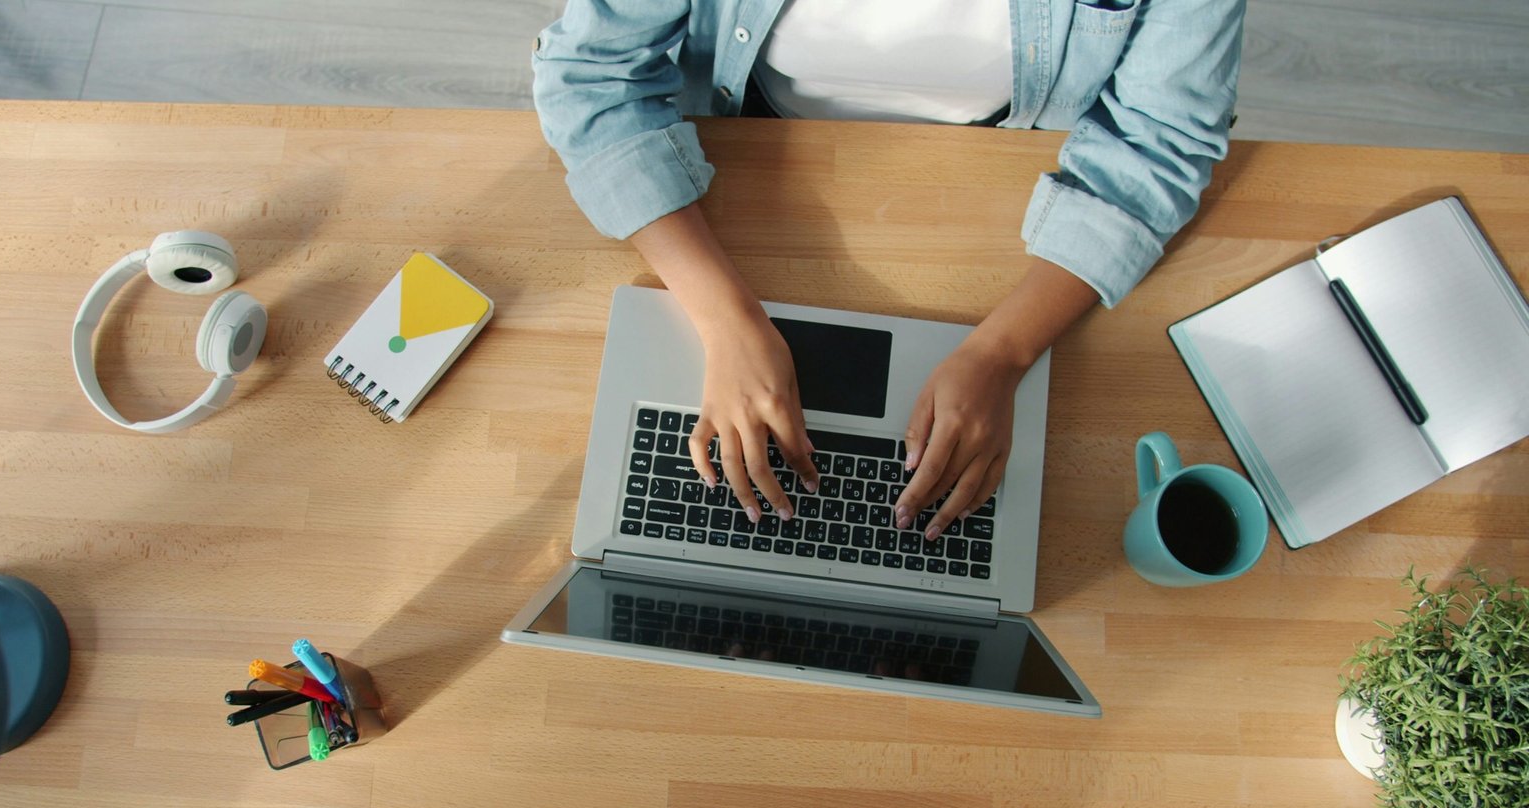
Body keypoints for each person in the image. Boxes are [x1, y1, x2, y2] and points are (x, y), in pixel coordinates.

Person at [532, 0, 1244, 544]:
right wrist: (724, 318)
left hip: (1002, 170)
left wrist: (1003, 353)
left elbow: (1162, 139)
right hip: (746, 148)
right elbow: (590, 76)